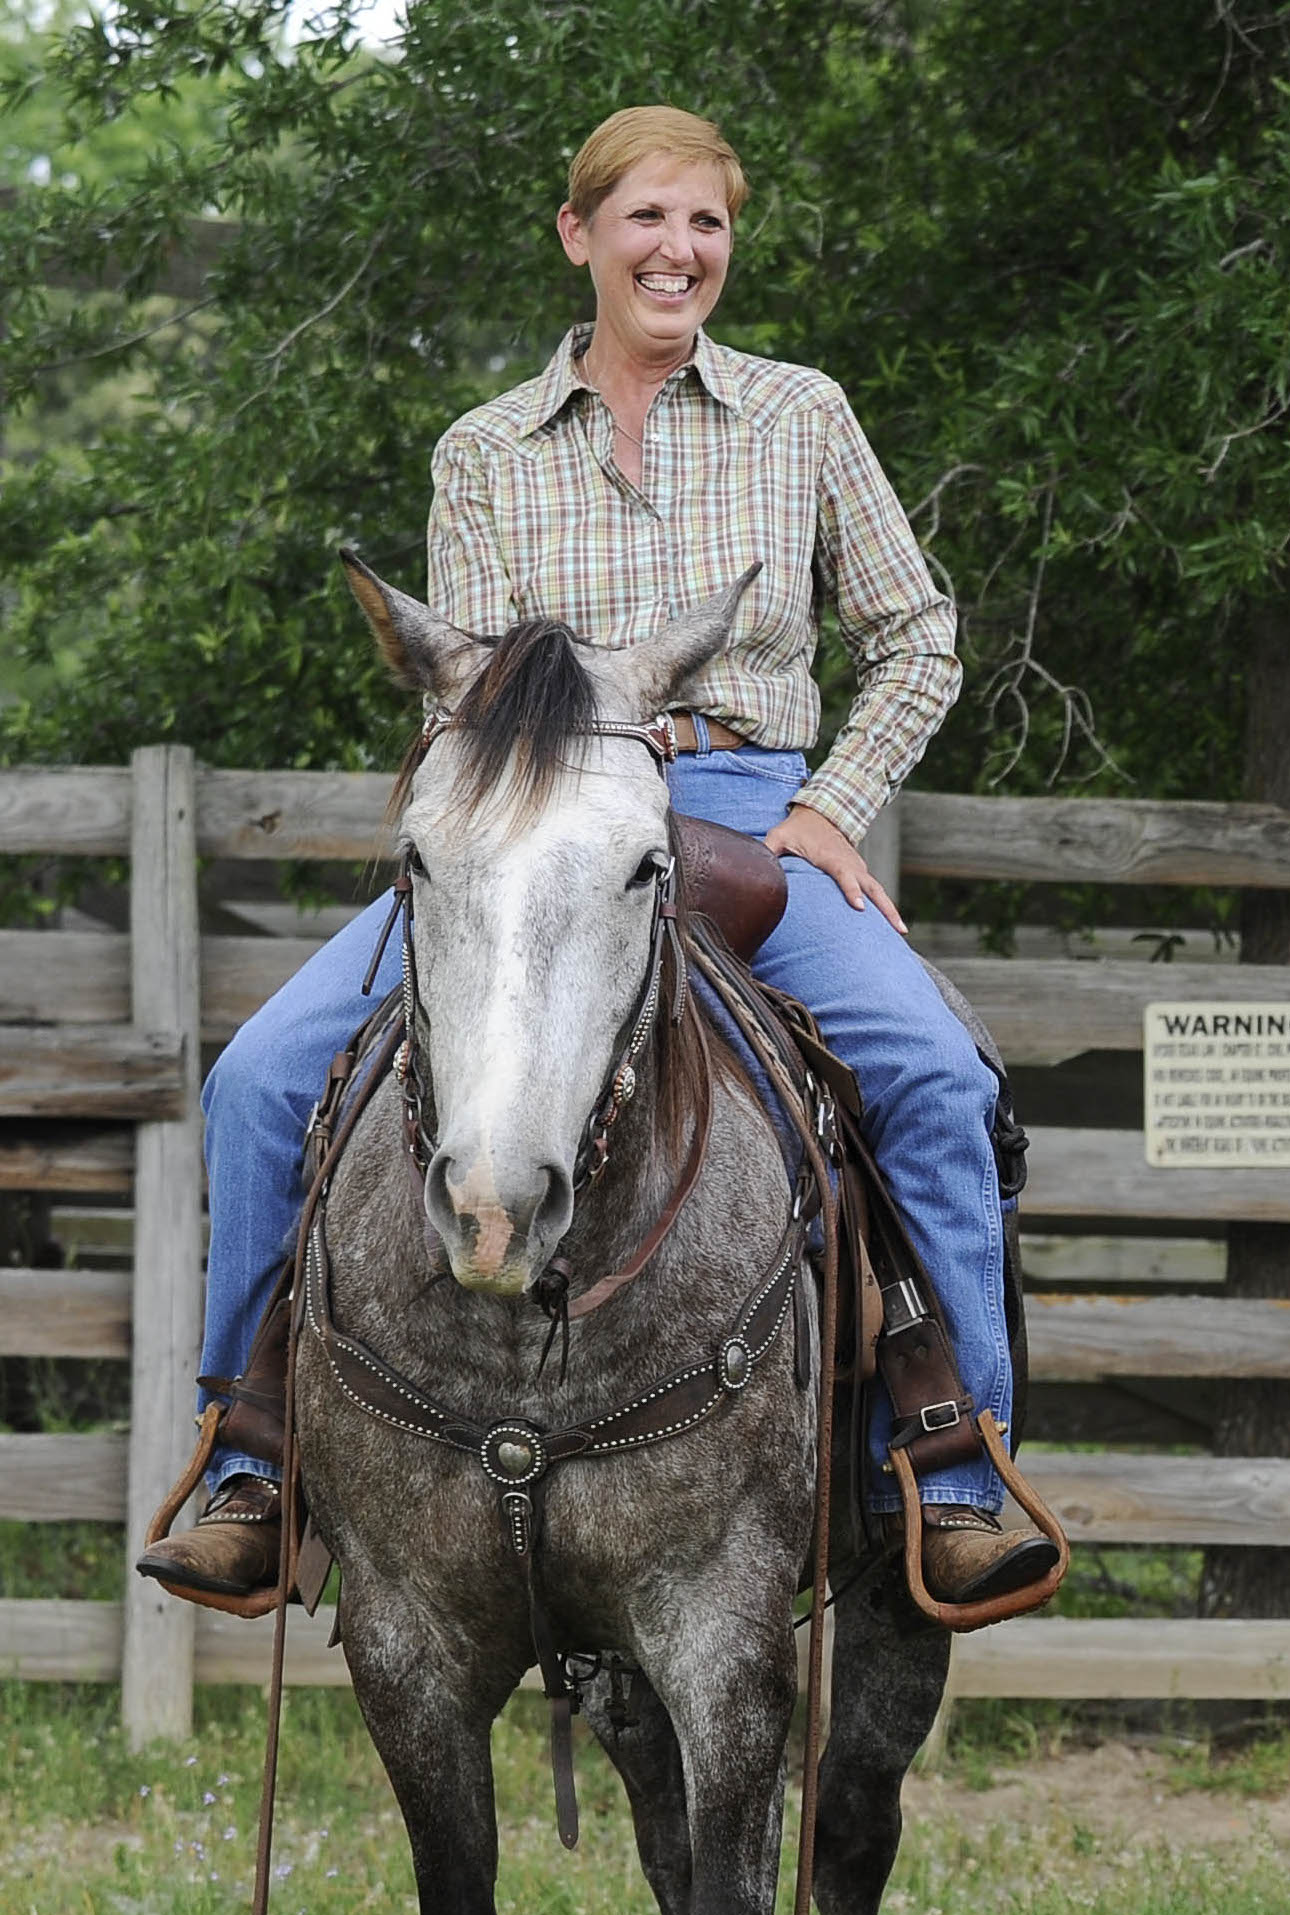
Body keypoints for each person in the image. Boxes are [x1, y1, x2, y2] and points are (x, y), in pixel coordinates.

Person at [136, 103, 1056, 1616]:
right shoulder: (484, 451)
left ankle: (953, 1465)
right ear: (581, 237)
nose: (679, 251)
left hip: (756, 816)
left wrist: (831, 808)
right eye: (646, 220)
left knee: (937, 1077)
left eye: (705, 225)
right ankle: (252, 1452)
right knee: (257, 1080)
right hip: (538, 826)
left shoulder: (801, 415)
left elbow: (920, 634)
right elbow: (481, 687)